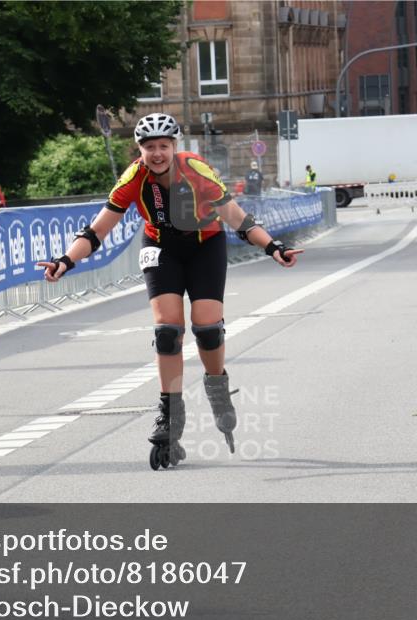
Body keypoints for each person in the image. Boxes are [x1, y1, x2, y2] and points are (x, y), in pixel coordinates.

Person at [36, 113, 303, 469]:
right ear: (140, 150)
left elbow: (237, 218)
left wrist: (274, 247)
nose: (157, 153)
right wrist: (65, 261)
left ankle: (217, 387)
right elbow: (97, 230)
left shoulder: (196, 169)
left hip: (205, 245)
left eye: (164, 146)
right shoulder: (134, 176)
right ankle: (170, 412)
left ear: (175, 147)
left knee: (207, 329)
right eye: (149, 147)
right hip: (161, 247)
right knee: (167, 331)